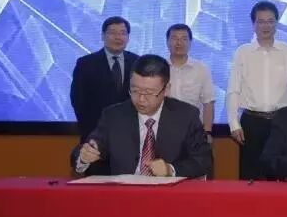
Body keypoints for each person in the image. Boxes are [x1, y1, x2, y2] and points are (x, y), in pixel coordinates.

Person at [71, 54, 213, 178]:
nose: (141, 99)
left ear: (166, 90)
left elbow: (204, 160)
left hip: (169, 195)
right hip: (125, 194)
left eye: (149, 93)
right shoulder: (113, 116)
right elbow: (89, 146)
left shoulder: (186, 116)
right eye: (135, 90)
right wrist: (83, 157)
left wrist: (170, 170)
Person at [226, 1, 287, 180]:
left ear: (276, 23)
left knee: (280, 175)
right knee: (250, 176)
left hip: (281, 122)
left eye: (270, 21)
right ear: (253, 24)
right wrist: (233, 123)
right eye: (260, 21)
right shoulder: (242, 52)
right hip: (251, 122)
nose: (266, 26)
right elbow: (233, 89)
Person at [70, 16, 139, 142]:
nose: (118, 37)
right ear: (103, 36)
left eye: (123, 33)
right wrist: (90, 130)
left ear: (128, 38)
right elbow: (77, 100)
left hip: (131, 135)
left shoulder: (137, 62)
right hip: (95, 134)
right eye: (112, 33)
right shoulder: (86, 63)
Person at [166, 23, 215, 143]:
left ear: (190, 42)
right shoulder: (159, 68)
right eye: (174, 38)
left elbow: (208, 103)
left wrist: (207, 132)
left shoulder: (201, 69)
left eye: (184, 39)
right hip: (165, 131)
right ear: (167, 42)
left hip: (194, 131)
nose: (179, 43)